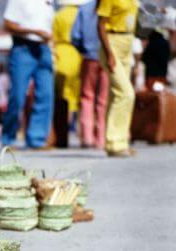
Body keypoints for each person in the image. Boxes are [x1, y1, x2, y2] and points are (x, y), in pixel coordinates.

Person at [1, 0, 55, 149]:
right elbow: (7, 24)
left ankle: (36, 139)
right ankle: (8, 138)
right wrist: (34, 31)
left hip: (44, 49)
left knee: (45, 94)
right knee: (17, 95)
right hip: (23, 48)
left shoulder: (49, 2)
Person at [97, 0, 139, 157]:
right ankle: (116, 143)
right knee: (126, 94)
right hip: (112, 42)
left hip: (127, 42)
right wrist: (109, 54)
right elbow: (100, 24)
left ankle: (118, 142)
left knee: (116, 94)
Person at [71, 0, 109, 149]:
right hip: (107, 56)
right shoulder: (111, 5)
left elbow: (75, 36)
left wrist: (85, 50)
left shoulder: (84, 8)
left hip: (89, 57)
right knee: (103, 99)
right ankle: (101, 138)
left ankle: (87, 137)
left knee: (87, 97)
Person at [53, 1, 84, 148]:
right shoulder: (81, 14)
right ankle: (80, 132)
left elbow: (53, 36)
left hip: (60, 54)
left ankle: (62, 134)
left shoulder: (58, 15)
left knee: (61, 97)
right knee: (75, 97)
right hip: (76, 55)